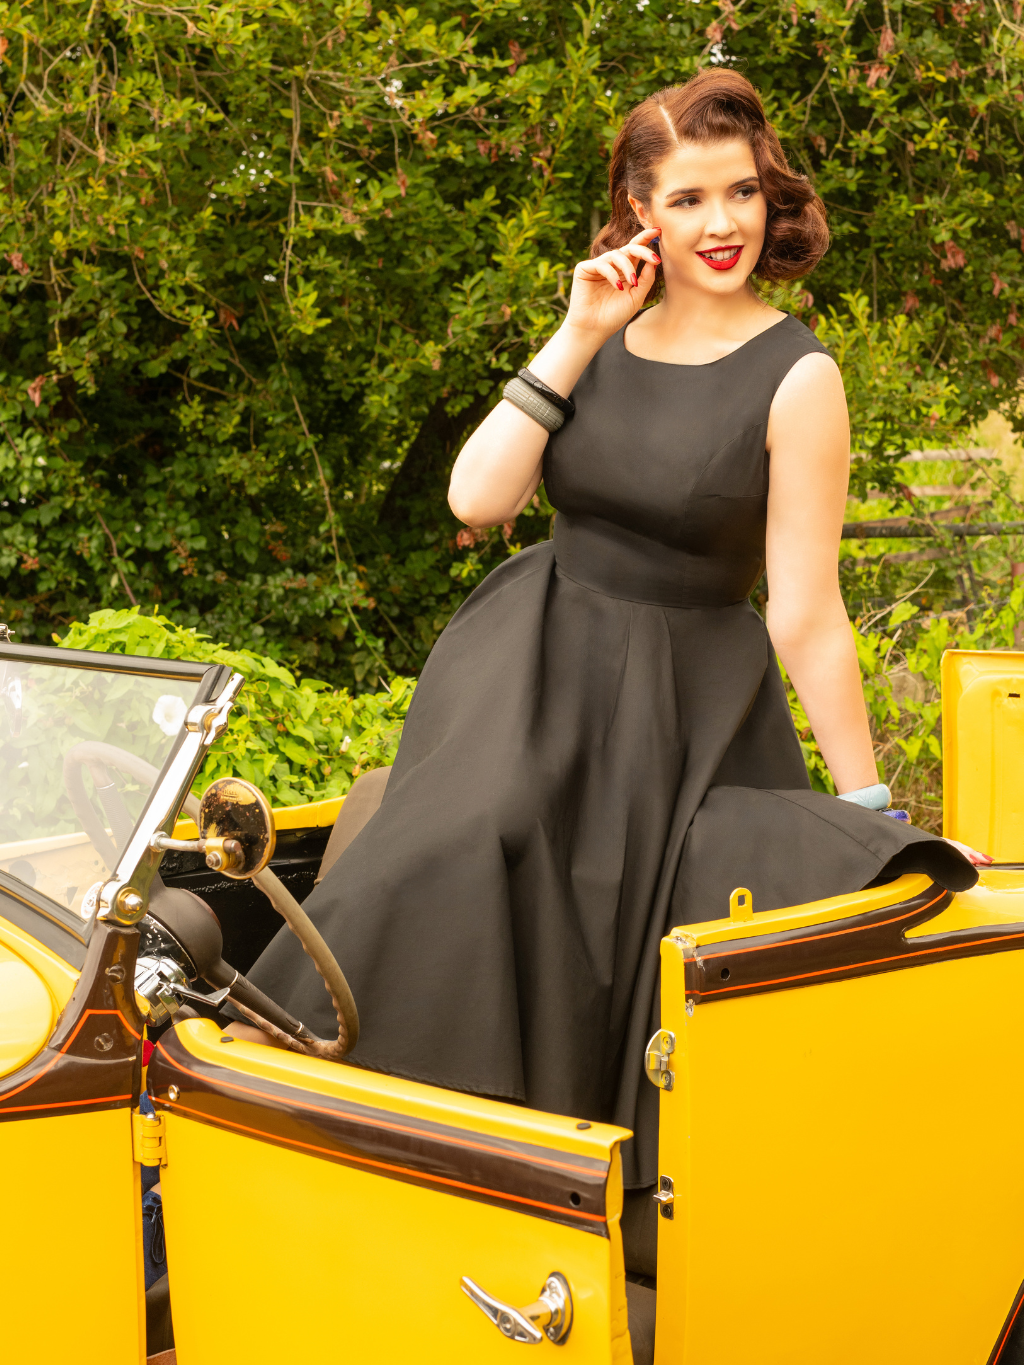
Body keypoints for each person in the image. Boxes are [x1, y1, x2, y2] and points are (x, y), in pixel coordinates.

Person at [240, 69, 984, 1238]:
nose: (722, 224)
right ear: (641, 207)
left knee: (627, 923)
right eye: (686, 199)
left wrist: (869, 803)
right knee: (458, 837)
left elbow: (804, 610)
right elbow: (476, 499)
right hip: (531, 659)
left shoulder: (799, 375)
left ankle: (550, 1203)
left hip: (687, 695)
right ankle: (314, 1124)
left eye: (738, 193)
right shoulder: (597, 338)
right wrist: (578, 329)